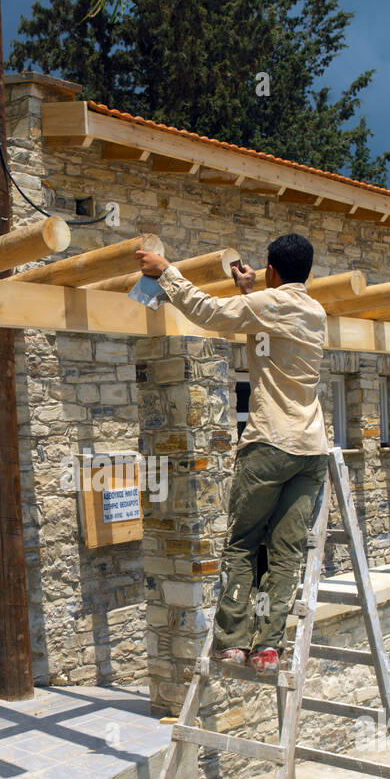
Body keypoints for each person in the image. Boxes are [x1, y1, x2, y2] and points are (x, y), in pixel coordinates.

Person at [136, 233, 329, 672]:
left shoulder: (273, 304)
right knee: (286, 553)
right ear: (309, 273)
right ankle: (268, 648)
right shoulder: (316, 311)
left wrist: (164, 270)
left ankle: (232, 642)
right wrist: (250, 290)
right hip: (310, 450)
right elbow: (273, 320)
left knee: (243, 544)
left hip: (269, 444)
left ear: (274, 271)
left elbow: (209, 312)